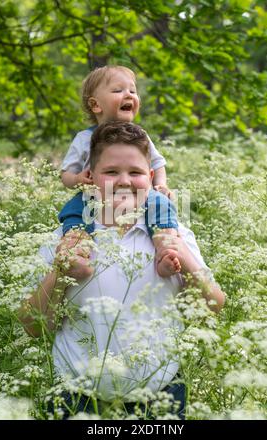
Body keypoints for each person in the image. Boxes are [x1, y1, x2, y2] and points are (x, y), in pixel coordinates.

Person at [17, 121, 225, 420]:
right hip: (76, 401)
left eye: (136, 173)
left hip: (161, 398)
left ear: (151, 178)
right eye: (111, 172)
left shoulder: (172, 235)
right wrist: (61, 273)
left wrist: (183, 256)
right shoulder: (66, 238)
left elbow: (213, 305)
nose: (124, 181)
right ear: (90, 178)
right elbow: (33, 326)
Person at [59, 65, 181, 279]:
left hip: (138, 194)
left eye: (133, 91)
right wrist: (77, 179)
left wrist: (161, 185)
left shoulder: (139, 136)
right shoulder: (83, 138)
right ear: (95, 105)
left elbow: (157, 163)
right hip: (94, 195)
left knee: (162, 205)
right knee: (73, 212)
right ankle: (77, 255)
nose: (128, 95)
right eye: (118, 91)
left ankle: (165, 251)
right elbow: (66, 175)